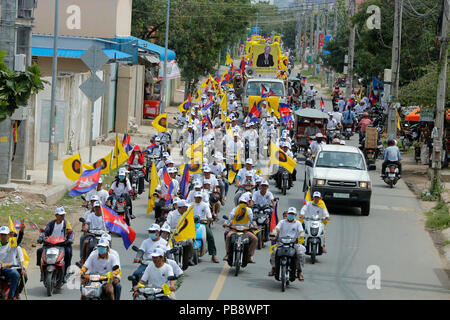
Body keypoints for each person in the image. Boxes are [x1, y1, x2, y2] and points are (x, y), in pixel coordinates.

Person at [36, 207, 74, 282]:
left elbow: (71, 232)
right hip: (50, 244)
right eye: (60, 215)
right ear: (56, 215)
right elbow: (45, 232)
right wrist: (41, 238)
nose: (62, 216)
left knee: (68, 252)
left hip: (62, 244)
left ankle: (65, 272)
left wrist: (70, 239)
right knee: (39, 251)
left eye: (63, 215)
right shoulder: (51, 224)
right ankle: (42, 271)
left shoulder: (66, 224)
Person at [268, 207, 305, 281]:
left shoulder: (298, 223)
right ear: (287, 214)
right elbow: (276, 229)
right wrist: (274, 234)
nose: (291, 215)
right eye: (289, 214)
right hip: (281, 243)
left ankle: (299, 272)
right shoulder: (282, 222)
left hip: (293, 244)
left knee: (300, 254)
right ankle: (273, 268)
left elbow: (301, 231)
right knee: (274, 252)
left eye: (292, 214)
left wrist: (301, 235)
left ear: (295, 215)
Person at [223, 194, 257, 263]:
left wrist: (255, 225)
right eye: (241, 202)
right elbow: (230, 217)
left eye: (244, 203)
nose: (242, 204)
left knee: (255, 239)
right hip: (234, 229)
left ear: (247, 203)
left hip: (245, 230)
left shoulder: (249, 210)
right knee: (228, 236)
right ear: (239, 203)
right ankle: (227, 254)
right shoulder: (235, 209)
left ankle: (249, 256)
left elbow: (252, 219)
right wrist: (226, 223)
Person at [0, 226, 26, 300]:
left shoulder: (11, 244)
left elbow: (19, 240)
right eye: (1, 234)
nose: (3, 236)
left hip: (8, 269)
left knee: (15, 274)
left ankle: (11, 296)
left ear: (8, 235)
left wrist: (21, 231)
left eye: (5, 235)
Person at [192, 192, 219, 263]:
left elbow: (208, 212)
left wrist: (210, 217)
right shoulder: (190, 205)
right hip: (191, 224)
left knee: (210, 236)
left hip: (202, 223)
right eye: (197, 197)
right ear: (194, 197)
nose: (198, 198)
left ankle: (213, 255)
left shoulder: (205, 205)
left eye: (200, 197)